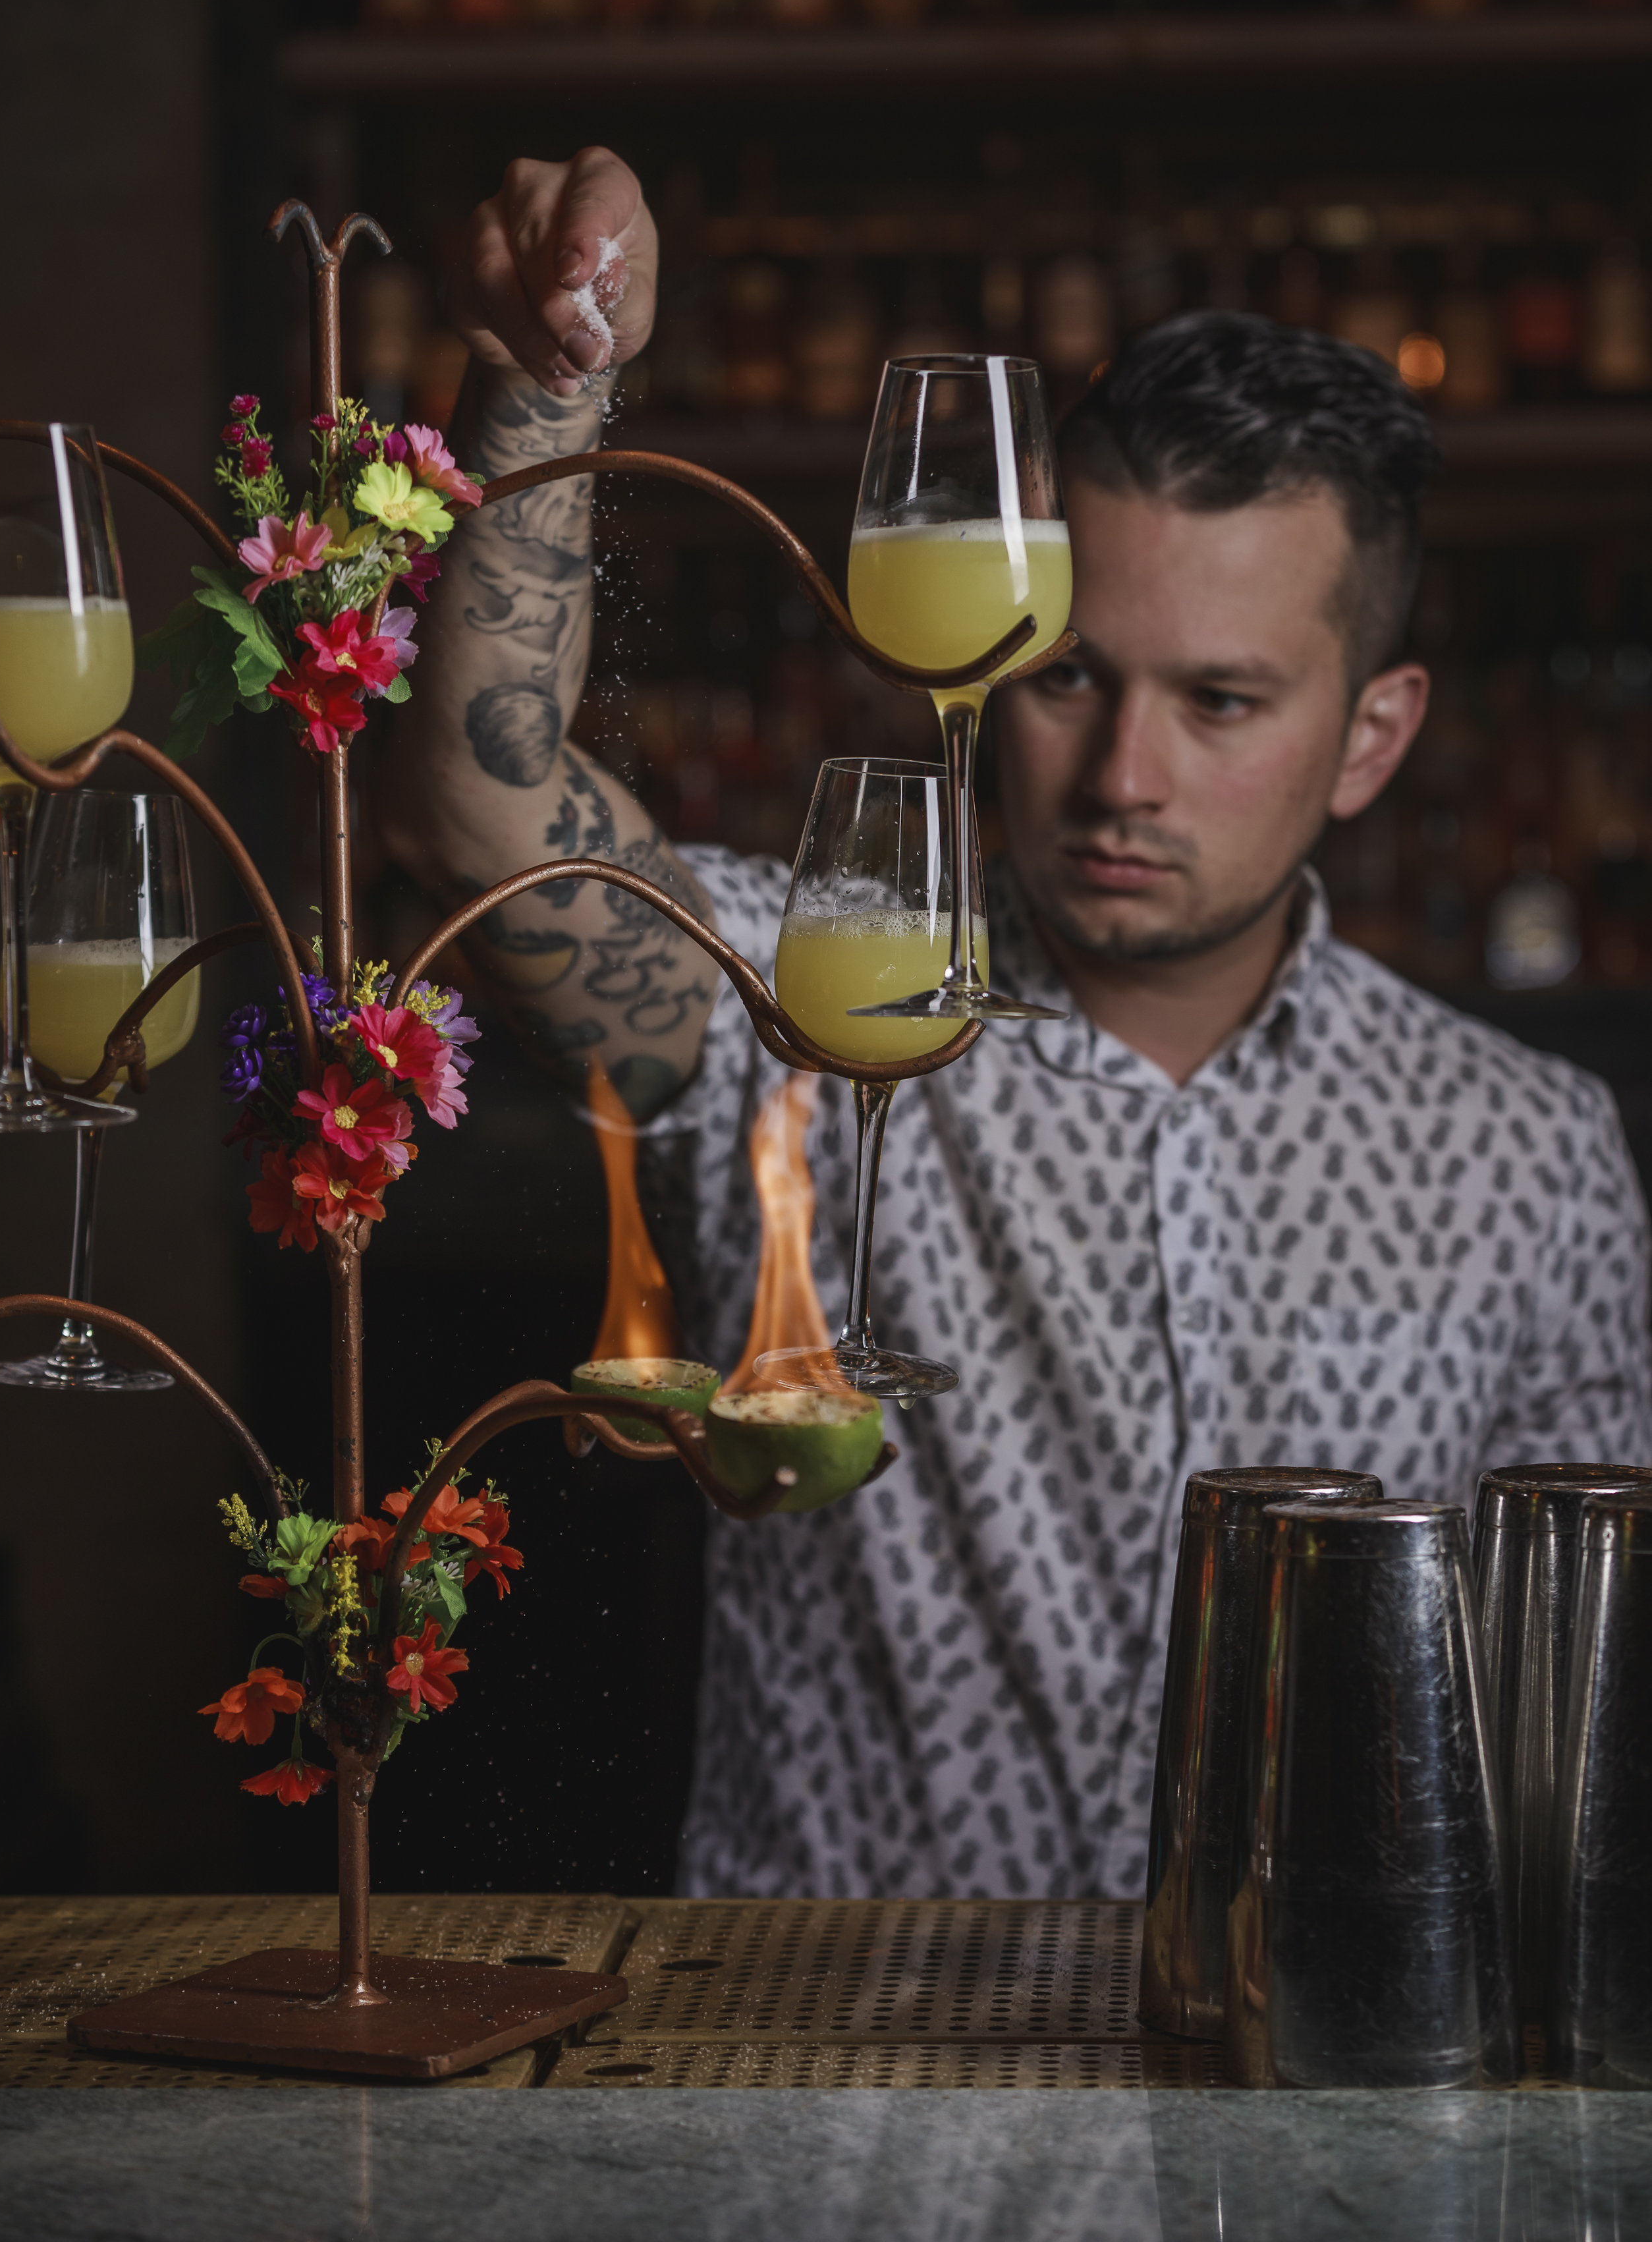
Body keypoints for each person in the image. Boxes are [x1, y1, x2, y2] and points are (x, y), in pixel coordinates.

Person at [387, 148, 1652, 1899]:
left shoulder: (1527, 1157)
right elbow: (478, 805)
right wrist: (547, 378)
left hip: (1312, 2092)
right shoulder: (802, 995)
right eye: (1066, 675)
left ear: (1371, 738)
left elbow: (1581, 1730)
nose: (1123, 778)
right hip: (831, 2097)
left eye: (1220, 702)